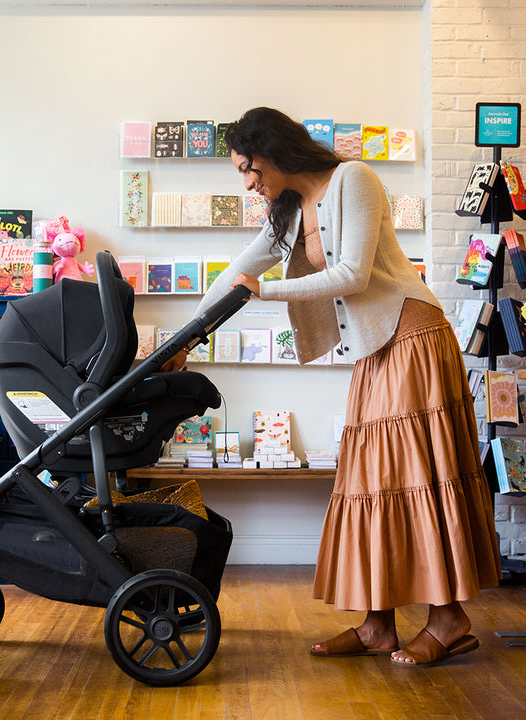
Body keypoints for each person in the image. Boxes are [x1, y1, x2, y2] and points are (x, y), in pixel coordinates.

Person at [163, 107, 501, 667]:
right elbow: (235, 272)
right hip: (375, 348)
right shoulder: (289, 212)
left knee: (417, 474)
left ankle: (449, 617)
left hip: (413, 336)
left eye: (248, 167)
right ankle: (378, 625)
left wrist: (266, 293)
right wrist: (184, 339)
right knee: (372, 480)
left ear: (272, 151)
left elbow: (353, 274)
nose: (248, 181)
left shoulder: (354, 180)